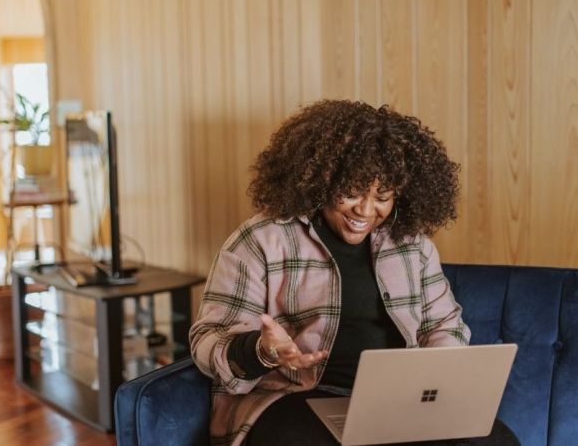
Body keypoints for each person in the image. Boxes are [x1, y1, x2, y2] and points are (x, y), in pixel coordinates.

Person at [190, 100, 519, 446]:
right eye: (351, 192)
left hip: (394, 402)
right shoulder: (262, 240)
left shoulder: (413, 246)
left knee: (496, 441)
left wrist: (438, 375)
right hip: (291, 396)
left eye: (382, 196)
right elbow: (207, 339)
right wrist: (261, 350)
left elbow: (443, 325)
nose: (365, 210)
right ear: (322, 181)